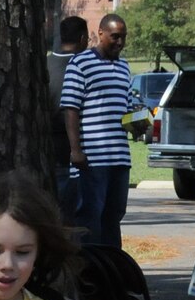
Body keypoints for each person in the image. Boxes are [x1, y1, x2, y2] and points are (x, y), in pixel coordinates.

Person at [60, 13, 141, 249]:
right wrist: (76, 150)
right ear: (101, 33)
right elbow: (70, 108)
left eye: (123, 38)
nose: (120, 42)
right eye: (115, 37)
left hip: (119, 157)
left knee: (113, 217)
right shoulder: (80, 63)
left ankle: (113, 273)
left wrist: (136, 125)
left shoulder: (124, 66)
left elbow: (125, 109)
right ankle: (90, 275)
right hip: (92, 159)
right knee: (89, 218)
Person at [46, 16, 89, 219]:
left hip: (47, 147)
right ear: (83, 38)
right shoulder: (83, 67)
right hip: (77, 150)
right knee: (76, 214)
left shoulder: (45, 65)